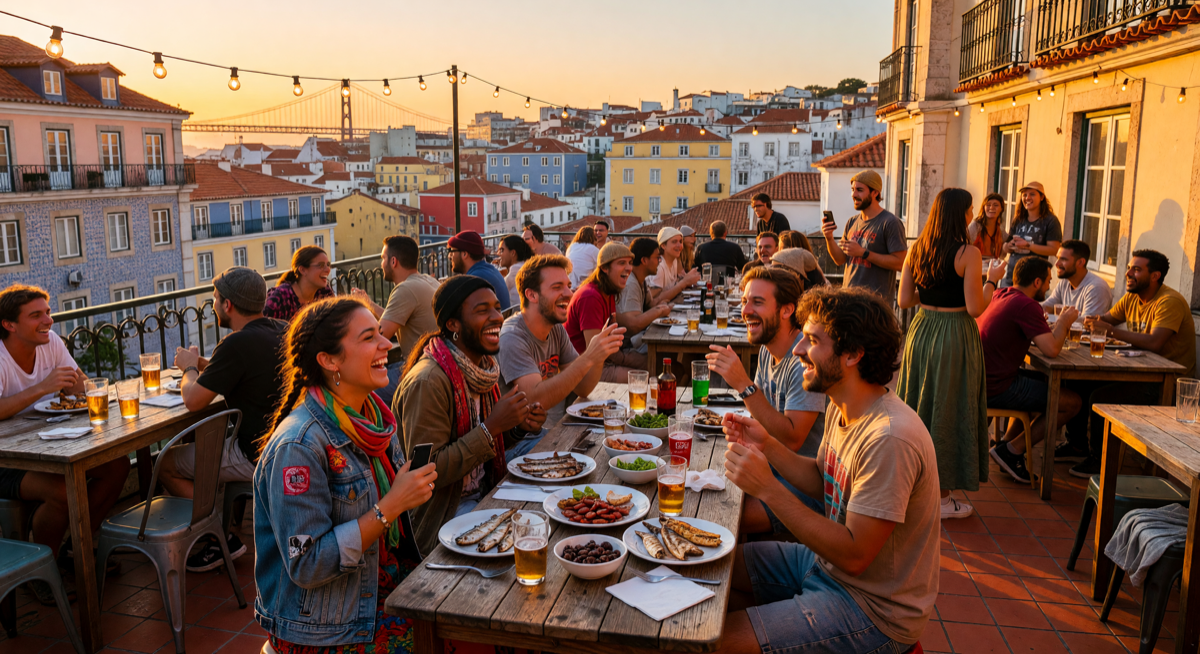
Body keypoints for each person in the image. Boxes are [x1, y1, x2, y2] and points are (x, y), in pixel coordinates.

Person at [720, 286, 939, 654]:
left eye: (812, 340)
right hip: (825, 567)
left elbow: (855, 555)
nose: (798, 350)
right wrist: (767, 446)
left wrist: (768, 489)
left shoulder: (889, 438)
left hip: (873, 610)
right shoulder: (844, 403)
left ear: (853, 354)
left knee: (715, 641)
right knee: (715, 564)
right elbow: (822, 480)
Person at [253, 297, 439, 653]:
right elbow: (307, 564)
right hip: (323, 627)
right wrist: (391, 506)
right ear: (330, 360)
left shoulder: (374, 418)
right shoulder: (300, 446)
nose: (387, 342)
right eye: (369, 337)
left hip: (378, 589)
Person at [0, 285, 131, 604]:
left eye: (47, 312)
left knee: (117, 465)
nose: (48, 320)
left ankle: (77, 545)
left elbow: (82, 383)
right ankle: (43, 569)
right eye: (36, 315)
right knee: (62, 490)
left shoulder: (50, 343)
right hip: (6, 459)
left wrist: (80, 388)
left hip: (50, 443)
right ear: (10, 325)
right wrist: (41, 388)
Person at [395, 276, 546, 552]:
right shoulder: (429, 381)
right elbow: (424, 473)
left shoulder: (483, 368)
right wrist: (490, 428)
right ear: (453, 324)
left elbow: (485, 442)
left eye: (497, 308)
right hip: (445, 508)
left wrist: (518, 426)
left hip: (481, 487)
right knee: (528, 539)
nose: (497, 317)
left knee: (549, 465)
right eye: (482, 310)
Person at [165, 267, 286, 571]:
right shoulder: (281, 329)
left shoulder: (236, 343)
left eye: (216, 298)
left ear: (228, 305)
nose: (214, 304)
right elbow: (238, 368)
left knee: (164, 462)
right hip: (284, 443)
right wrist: (203, 364)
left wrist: (188, 368)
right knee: (202, 453)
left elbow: (193, 401)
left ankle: (215, 534)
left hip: (255, 453)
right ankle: (216, 527)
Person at [896, 188, 1004, 519]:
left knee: (919, 404)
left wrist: (931, 295)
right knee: (948, 408)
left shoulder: (917, 249)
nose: (974, 214)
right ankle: (940, 499)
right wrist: (992, 281)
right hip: (955, 333)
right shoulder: (968, 254)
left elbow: (904, 300)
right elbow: (975, 308)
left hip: (923, 329)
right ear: (962, 214)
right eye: (971, 209)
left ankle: (913, 487)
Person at [705, 266, 827, 536]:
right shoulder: (767, 348)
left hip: (807, 484)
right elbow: (760, 413)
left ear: (786, 310)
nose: (745, 310)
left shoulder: (803, 362)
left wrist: (743, 384)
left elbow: (792, 439)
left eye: (757, 302)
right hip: (771, 464)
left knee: (725, 516)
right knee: (706, 486)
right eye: (745, 301)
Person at [1061, 250, 1196, 478]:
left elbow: (1154, 342)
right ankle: (1076, 446)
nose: (1128, 273)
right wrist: (1072, 319)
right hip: (1139, 372)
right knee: (1077, 382)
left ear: (1155, 276)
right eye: (1130, 268)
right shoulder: (1133, 296)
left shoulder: (1168, 301)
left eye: (1136, 269)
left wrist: (1112, 332)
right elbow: (1106, 320)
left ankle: (1100, 461)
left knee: (1100, 398)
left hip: (1165, 383)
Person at [978, 257, 1083, 484]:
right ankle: (1012, 450)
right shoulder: (1026, 305)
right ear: (1037, 282)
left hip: (983, 379)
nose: (1048, 286)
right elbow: (1052, 349)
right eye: (1047, 281)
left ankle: (1005, 445)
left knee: (1041, 385)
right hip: (996, 387)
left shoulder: (1003, 294)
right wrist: (1064, 321)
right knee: (1072, 402)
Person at [499, 254, 626, 430]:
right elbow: (534, 399)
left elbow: (582, 388)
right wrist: (588, 356)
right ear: (532, 295)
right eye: (557, 287)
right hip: (523, 444)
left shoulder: (555, 328)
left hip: (554, 432)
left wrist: (599, 356)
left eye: (568, 286)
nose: (569, 293)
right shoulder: (512, 337)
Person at [352, 236, 442, 405]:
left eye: (383, 258)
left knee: (361, 390)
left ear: (393, 261)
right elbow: (395, 317)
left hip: (423, 373)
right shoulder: (426, 280)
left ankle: (384, 431)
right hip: (436, 365)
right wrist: (369, 304)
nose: (381, 264)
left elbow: (379, 336)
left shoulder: (405, 289)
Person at [821, 170, 908, 303]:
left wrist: (863, 253)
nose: (854, 195)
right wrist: (829, 238)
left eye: (860, 190)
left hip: (875, 308)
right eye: (853, 189)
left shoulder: (890, 223)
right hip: (849, 302)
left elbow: (901, 263)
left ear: (875, 193)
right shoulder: (852, 222)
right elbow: (840, 260)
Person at [566, 242, 646, 382]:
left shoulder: (608, 291)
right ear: (604, 268)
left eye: (630, 263)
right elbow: (595, 352)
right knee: (648, 379)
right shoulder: (590, 297)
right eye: (622, 263)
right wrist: (629, 359)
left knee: (660, 366)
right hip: (585, 369)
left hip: (605, 360)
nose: (628, 268)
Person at [617, 238, 673, 356]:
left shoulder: (641, 280)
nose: (659, 261)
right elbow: (634, 325)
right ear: (644, 260)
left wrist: (660, 306)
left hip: (637, 340)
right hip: (626, 346)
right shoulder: (630, 283)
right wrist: (659, 310)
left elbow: (649, 305)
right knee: (671, 359)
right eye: (657, 257)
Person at [1001, 181, 1062, 288]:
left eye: (1032, 194)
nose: (1027, 198)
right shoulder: (1018, 219)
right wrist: (1008, 246)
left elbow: (1054, 250)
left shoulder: (1050, 221)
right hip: (1012, 277)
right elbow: (1006, 246)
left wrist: (1028, 245)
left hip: (1033, 281)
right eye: (1024, 194)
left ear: (1042, 197)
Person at [1040, 239, 1113, 317]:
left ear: (1081, 262)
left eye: (1063, 259)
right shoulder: (1065, 282)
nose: (1057, 264)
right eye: (1057, 258)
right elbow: (1047, 307)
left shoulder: (1096, 288)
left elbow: (1088, 324)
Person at [264, 245, 334, 322]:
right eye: (321, 265)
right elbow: (264, 329)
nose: (328, 270)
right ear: (303, 270)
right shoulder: (280, 298)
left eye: (328, 265)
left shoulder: (325, 293)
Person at [448, 230, 511, 311]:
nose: (450, 256)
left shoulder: (474, 279)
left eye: (452, 252)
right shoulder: (490, 270)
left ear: (464, 254)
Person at [651, 227, 702, 304]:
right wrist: (684, 282)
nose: (679, 245)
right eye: (674, 242)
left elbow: (682, 280)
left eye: (681, 242)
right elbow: (653, 301)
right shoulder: (658, 267)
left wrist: (689, 279)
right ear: (663, 245)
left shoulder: (675, 260)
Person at [495, 234, 534, 307]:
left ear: (513, 253)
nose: (498, 254)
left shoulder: (513, 275)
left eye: (501, 250)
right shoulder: (528, 269)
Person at [968, 193, 1008, 260]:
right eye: (988, 205)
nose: (991, 207)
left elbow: (1005, 249)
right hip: (975, 263)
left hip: (993, 265)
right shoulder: (975, 226)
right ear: (984, 208)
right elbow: (965, 247)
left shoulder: (1001, 228)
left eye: (996, 205)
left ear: (1001, 209)